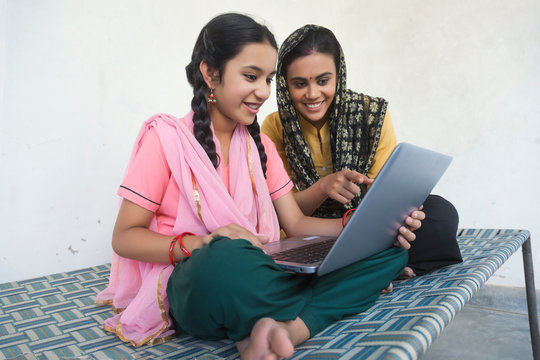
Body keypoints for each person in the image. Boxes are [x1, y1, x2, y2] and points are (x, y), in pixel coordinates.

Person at [95, 14, 424, 359]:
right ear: (210, 73)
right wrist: (201, 243)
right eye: (251, 77)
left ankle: (283, 328)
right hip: (202, 277)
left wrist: (368, 227)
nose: (264, 92)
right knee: (223, 258)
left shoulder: (260, 146)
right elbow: (124, 237)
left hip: (264, 269)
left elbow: (296, 225)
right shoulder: (164, 140)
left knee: (392, 251)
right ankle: (307, 309)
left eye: (267, 79)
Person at [262, 25, 462, 278]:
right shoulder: (275, 126)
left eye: (323, 81)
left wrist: (404, 217)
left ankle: (376, 267)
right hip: (308, 233)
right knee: (285, 250)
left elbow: (384, 194)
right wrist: (323, 188)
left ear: (339, 75)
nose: (312, 94)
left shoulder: (371, 115)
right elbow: (285, 212)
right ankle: (384, 268)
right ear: (284, 84)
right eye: (299, 84)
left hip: (367, 226)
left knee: (440, 213)